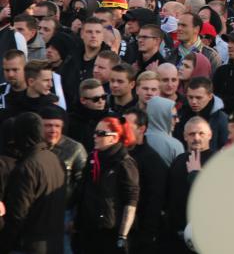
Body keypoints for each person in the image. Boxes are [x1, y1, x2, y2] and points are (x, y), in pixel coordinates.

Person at [0, 112, 66, 254]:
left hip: (29, 245)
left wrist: (4, 245)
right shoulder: (55, 159)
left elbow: (17, 214)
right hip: (54, 243)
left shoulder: (27, 167)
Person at [75, 115, 139, 254]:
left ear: (114, 137)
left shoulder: (124, 163)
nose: (95, 136)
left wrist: (122, 236)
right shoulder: (93, 157)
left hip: (110, 232)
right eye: (95, 132)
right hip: (88, 230)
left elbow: (131, 201)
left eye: (101, 134)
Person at [165, 117, 215, 254]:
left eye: (201, 133)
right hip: (176, 236)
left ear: (210, 135)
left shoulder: (218, 161)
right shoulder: (178, 160)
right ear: (185, 136)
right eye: (192, 134)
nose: (196, 138)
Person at [123, 108, 168, 254]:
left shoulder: (152, 161)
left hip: (139, 234)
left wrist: (147, 236)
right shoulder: (117, 153)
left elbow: (155, 200)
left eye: (127, 126)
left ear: (142, 129)